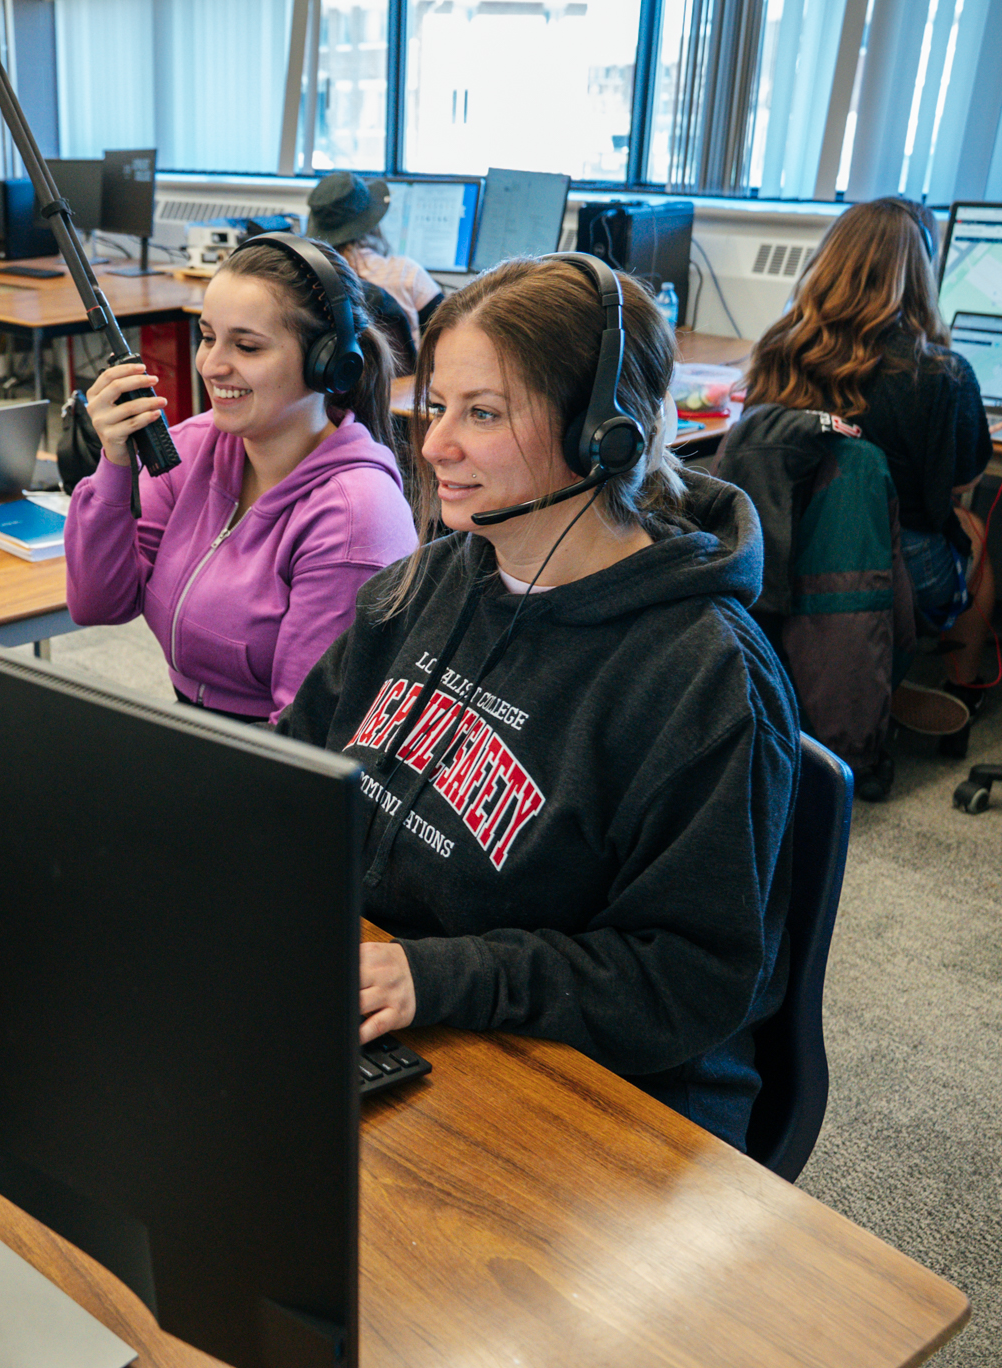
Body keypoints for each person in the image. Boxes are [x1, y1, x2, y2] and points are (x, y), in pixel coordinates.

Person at [277, 255, 800, 1150]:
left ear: (608, 437)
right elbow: (297, 763)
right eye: (438, 406)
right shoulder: (435, 579)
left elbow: (688, 979)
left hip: (599, 1092)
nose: (435, 444)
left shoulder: (704, 678)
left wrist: (439, 977)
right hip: (399, 1008)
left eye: (482, 414)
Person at [65, 234, 419, 724]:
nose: (211, 365)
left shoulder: (355, 517)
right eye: (208, 337)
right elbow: (96, 603)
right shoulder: (194, 448)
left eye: (247, 346)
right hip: (196, 728)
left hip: (275, 764)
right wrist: (114, 464)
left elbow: (306, 735)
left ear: (328, 364)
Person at [742, 197, 996, 734]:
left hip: (785, 553)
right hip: (889, 566)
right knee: (975, 532)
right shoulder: (943, 373)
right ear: (920, 276)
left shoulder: (780, 348)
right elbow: (965, 480)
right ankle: (964, 692)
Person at [307, 171, 440, 354]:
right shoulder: (406, 273)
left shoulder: (311, 281)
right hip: (403, 382)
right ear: (372, 222)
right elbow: (444, 336)